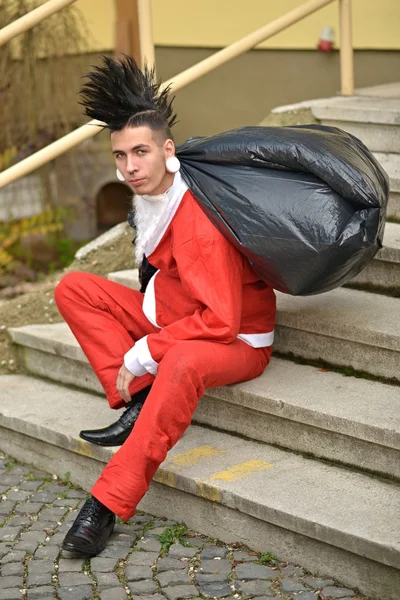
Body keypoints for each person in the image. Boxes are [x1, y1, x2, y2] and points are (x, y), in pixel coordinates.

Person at [54, 56, 276, 556]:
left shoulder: (195, 223)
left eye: (141, 152)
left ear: (166, 150)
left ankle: (106, 505)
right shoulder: (153, 196)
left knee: (177, 359)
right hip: (174, 313)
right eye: (120, 156)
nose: (130, 167)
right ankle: (139, 403)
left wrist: (142, 352)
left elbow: (221, 322)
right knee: (74, 289)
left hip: (236, 340)